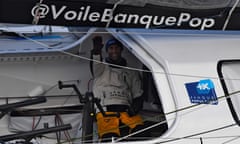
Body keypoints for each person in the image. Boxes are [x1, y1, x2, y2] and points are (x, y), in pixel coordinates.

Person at [90, 36, 145, 141]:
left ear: (121, 50)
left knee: (142, 133)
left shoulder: (131, 71)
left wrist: (136, 106)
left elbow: (137, 92)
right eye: (111, 48)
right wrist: (96, 51)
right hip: (105, 109)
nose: (114, 51)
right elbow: (95, 63)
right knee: (109, 137)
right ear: (107, 51)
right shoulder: (100, 69)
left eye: (117, 48)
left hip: (126, 109)